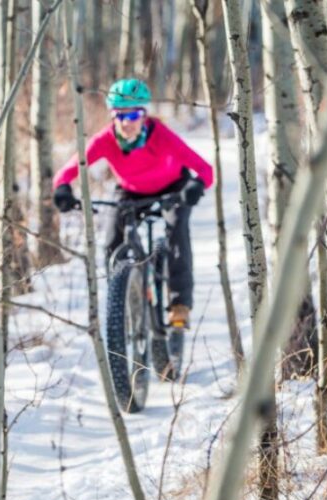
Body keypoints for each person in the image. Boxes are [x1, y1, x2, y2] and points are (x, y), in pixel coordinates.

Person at [52, 78, 213, 329]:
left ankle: (179, 305)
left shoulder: (161, 135)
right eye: (120, 115)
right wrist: (62, 188)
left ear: (144, 114)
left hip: (172, 189)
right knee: (112, 239)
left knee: (176, 232)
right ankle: (124, 295)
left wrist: (197, 185)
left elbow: (205, 169)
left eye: (134, 114)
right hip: (131, 190)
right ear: (113, 116)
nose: (127, 122)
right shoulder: (105, 140)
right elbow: (68, 169)